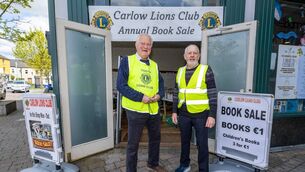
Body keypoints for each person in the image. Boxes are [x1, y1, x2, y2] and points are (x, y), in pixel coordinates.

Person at [117, 34, 166, 172]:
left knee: (155, 138)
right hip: (135, 109)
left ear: (151, 47)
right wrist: (140, 97)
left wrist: (159, 95)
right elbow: (121, 86)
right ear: (136, 45)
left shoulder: (155, 65)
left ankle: (153, 163)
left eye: (148, 44)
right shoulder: (127, 61)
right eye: (142, 43)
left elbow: (161, 84)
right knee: (133, 143)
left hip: (153, 109)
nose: (145, 47)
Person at [172, 44, 217, 172]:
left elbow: (212, 93)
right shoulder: (180, 71)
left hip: (201, 114)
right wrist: (174, 111)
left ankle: (203, 169)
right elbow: (176, 93)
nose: (192, 55)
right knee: (184, 142)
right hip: (184, 114)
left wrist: (212, 115)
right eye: (189, 53)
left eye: (195, 53)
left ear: (199, 55)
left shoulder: (206, 70)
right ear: (185, 56)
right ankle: (184, 165)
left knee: (202, 145)